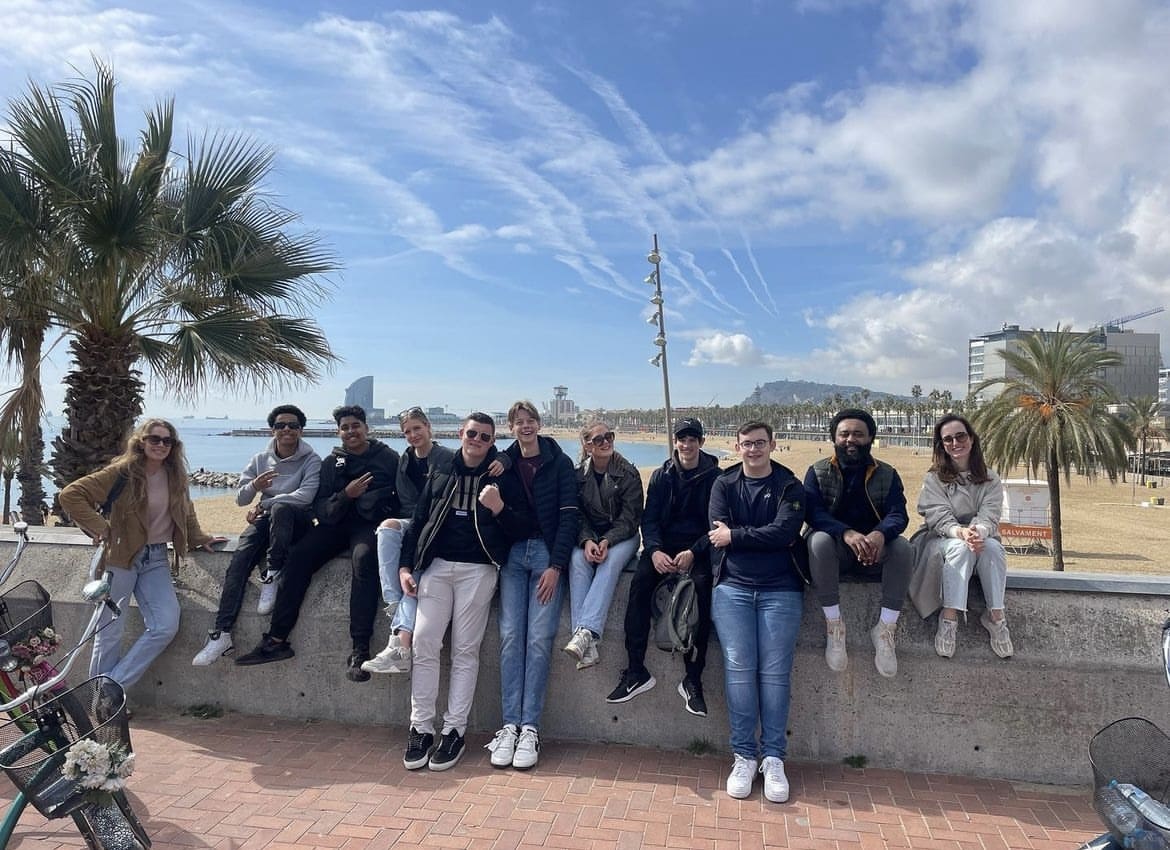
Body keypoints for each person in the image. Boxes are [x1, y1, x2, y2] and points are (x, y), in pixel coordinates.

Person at [399, 413, 530, 772]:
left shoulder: (502, 476)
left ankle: (454, 729)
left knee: (465, 650)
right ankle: (420, 727)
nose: (476, 440)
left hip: (480, 568)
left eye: (485, 437)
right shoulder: (442, 470)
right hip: (438, 566)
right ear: (460, 434)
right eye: (471, 433)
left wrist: (498, 507)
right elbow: (420, 518)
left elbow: (523, 526)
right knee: (424, 642)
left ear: (492, 442)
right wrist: (405, 566)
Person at [59, 419, 226, 695]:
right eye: (154, 439)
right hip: (119, 559)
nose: (160, 445)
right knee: (110, 631)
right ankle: (102, 701)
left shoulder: (176, 476)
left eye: (167, 441)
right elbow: (71, 495)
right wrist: (102, 528)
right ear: (141, 441)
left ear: (173, 446)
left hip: (156, 559)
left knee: (165, 625)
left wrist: (199, 538)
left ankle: (112, 688)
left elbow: (186, 511)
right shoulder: (122, 473)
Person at [235, 405, 399, 681]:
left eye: (355, 426)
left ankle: (359, 649)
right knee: (298, 557)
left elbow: (402, 497)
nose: (351, 432)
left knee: (363, 560)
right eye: (345, 428)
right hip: (336, 525)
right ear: (339, 432)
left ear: (366, 428)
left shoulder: (389, 458)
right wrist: (347, 494)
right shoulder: (331, 463)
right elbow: (321, 510)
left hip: (369, 526)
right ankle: (276, 640)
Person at [708, 421, 806, 804]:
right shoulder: (724, 484)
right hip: (732, 588)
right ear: (737, 446)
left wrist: (737, 536)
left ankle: (774, 757)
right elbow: (716, 532)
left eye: (760, 443)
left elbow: (785, 533)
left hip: (780, 590)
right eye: (747, 444)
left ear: (772, 445)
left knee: (775, 675)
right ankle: (744, 755)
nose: (753, 450)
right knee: (739, 671)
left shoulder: (789, 486)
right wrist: (741, 536)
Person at [484, 401, 579, 770]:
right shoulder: (503, 466)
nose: (525, 426)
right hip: (512, 558)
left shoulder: (559, 463)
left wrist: (556, 566)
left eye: (530, 421)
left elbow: (569, 516)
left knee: (539, 639)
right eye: (518, 422)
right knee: (510, 636)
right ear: (510, 428)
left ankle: (530, 728)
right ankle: (509, 725)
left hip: (546, 557)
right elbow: (502, 521)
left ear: (540, 424)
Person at [192, 405, 321, 666]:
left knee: (283, 507)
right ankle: (222, 633)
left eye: (293, 425)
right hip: (266, 520)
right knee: (239, 562)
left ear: (301, 430)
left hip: (297, 520)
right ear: (272, 429)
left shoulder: (312, 459)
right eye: (281, 425)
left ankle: (272, 573)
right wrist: (255, 487)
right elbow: (241, 499)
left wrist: (265, 504)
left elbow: (305, 496)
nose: (287, 429)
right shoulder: (260, 459)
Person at [606, 417, 718, 716]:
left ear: (701, 442)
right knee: (640, 586)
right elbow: (649, 518)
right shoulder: (661, 476)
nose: (687, 444)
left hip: (698, 550)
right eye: (682, 438)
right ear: (675, 441)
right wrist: (653, 550)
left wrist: (694, 552)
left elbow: (716, 524)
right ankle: (635, 671)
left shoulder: (715, 477)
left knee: (702, 592)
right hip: (662, 548)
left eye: (693, 438)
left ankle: (692, 680)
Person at [803, 408, 912, 678]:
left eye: (858, 434)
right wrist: (847, 534)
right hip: (835, 554)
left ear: (870, 438)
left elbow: (899, 514)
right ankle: (834, 625)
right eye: (844, 434)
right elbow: (813, 513)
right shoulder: (817, 472)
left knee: (902, 547)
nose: (851, 440)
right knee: (817, 541)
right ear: (834, 438)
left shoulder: (887, 474)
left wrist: (879, 534)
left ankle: (886, 628)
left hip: (875, 552)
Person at [909, 414, 1013, 660]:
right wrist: (961, 532)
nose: (955, 443)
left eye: (960, 436)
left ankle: (996, 617)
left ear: (972, 438)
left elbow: (990, 514)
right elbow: (937, 517)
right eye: (948, 439)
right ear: (941, 445)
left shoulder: (991, 478)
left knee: (993, 549)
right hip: (940, 539)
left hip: (979, 537)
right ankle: (949, 618)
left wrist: (977, 532)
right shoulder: (934, 478)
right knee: (960, 548)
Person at [361, 407, 454, 675]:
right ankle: (393, 604)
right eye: (407, 432)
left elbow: (440, 504)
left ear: (428, 427)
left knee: (413, 574)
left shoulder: (445, 458)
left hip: (436, 527)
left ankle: (399, 645)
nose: (413, 435)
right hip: (411, 522)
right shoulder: (405, 460)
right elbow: (404, 503)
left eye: (417, 428)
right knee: (387, 528)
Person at [563, 421, 643, 670]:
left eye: (609, 436)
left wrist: (607, 540)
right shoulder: (578, 476)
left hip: (623, 536)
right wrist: (587, 540)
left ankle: (584, 633)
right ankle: (588, 646)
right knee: (577, 560)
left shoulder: (628, 473)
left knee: (608, 563)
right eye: (599, 439)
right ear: (587, 446)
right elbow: (577, 515)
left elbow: (631, 518)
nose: (606, 441)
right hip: (591, 536)